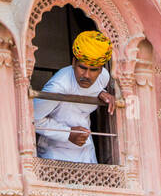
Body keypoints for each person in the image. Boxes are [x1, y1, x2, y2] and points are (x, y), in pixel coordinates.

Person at [33, 30, 116, 163]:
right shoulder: (58, 87)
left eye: (93, 70)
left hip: (86, 151)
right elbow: (32, 119)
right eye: (82, 68)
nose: (87, 75)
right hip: (55, 152)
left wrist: (100, 92)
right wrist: (67, 134)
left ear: (100, 70)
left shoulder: (103, 78)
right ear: (73, 62)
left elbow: (93, 88)